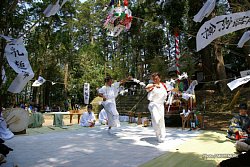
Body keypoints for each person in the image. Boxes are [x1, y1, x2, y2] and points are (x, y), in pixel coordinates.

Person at [145, 72, 176, 143]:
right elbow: (146, 88)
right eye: (153, 79)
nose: (155, 80)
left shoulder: (164, 85)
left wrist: (179, 92)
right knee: (156, 119)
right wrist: (154, 85)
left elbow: (173, 89)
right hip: (153, 104)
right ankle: (158, 134)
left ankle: (162, 135)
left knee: (161, 120)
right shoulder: (151, 85)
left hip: (161, 105)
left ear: (159, 78)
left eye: (156, 78)